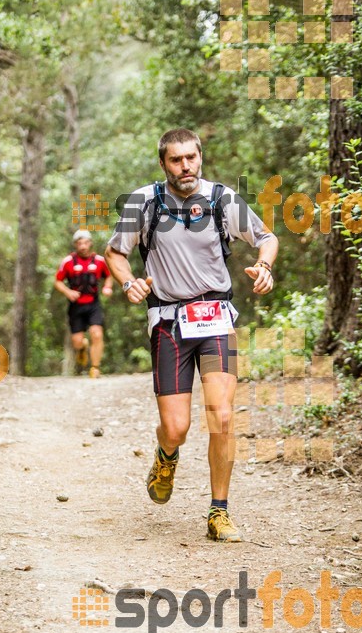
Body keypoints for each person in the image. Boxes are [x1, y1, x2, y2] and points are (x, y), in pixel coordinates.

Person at [104, 128, 278, 542]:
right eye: (176, 160)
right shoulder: (143, 203)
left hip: (216, 315)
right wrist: (129, 282)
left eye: (191, 158)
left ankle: (219, 512)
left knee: (221, 415)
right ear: (163, 163)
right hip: (168, 321)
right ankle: (166, 455)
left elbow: (266, 237)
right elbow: (114, 253)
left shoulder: (222, 199)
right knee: (177, 427)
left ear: (201, 157)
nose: (186, 166)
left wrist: (265, 266)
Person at [55, 230, 113, 378]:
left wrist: (107, 287)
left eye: (85, 243)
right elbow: (58, 281)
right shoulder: (68, 261)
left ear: (90, 243)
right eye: (79, 243)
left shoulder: (99, 260)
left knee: (97, 334)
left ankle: (95, 368)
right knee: (77, 342)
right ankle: (82, 348)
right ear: (75, 245)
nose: (83, 246)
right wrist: (68, 292)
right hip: (76, 306)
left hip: (93, 303)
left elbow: (109, 276)